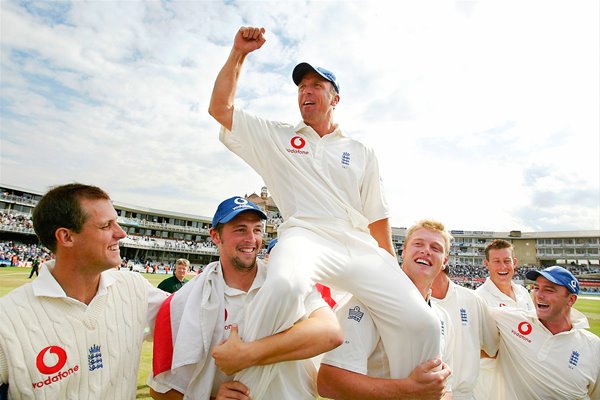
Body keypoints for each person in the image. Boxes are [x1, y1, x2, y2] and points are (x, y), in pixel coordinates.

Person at [208, 26, 441, 397]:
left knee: (424, 322)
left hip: (359, 246)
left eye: (316, 85)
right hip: (306, 236)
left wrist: (395, 273)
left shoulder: (361, 151)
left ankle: (420, 392)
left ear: (335, 98)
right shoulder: (279, 137)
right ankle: (242, 379)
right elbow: (220, 109)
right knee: (284, 285)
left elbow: (378, 220)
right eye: (302, 87)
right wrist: (238, 54)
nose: (306, 91)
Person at [149, 196, 342, 400]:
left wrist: (247, 354)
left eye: (257, 230)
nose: (251, 238)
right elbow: (159, 388)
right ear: (215, 236)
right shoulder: (186, 300)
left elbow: (330, 333)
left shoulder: (286, 280)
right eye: (240, 229)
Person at [0, 183, 167, 399]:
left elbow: (200, 315)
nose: (121, 233)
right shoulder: (7, 319)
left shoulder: (134, 287)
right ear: (66, 237)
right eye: (106, 225)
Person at [317, 220, 454, 400]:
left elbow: (445, 388)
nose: (426, 250)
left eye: (436, 248)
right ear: (403, 252)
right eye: (418, 244)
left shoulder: (442, 317)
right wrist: (408, 390)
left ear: (444, 261)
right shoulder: (366, 303)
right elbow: (328, 382)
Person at [489, 266, 599, 399]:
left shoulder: (593, 346)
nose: (539, 295)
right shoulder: (510, 319)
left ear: (571, 300)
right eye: (536, 288)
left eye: (549, 290)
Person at [473, 239, 534, 399]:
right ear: (487, 264)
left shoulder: (523, 292)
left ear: (514, 262)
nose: (502, 267)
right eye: (496, 261)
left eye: (507, 261)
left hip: (523, 380)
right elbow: (471, 346)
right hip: (492, 385)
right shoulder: (478, 298)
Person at [431, 263, 497, 400]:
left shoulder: (472, 299)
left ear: (445, 260)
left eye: (435, 248)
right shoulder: (410, 302)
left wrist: (466, 355)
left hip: (464, 394)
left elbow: (492, 350)